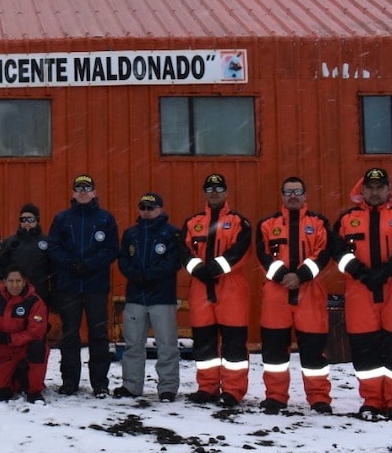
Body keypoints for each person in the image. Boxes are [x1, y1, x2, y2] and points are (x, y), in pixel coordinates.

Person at [332, 168, 392, 422]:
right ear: (362, 191)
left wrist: (385, 272)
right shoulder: (346, 219)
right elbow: (338, 251)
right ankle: (372, 400)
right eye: (370, 187)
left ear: (388, 189)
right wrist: (362, 274)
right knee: (365, 350)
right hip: (360, 291)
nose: (375, 192)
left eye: (380, 187)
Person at [256, 177, 334, 415]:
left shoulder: (319, 223)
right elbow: (263, 255)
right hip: (275, 296)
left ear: (305, 194)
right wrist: (283, 277)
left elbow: (324, 254)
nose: (293, 195)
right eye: (288, 191)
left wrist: (300, 275)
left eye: (297, 191)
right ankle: (275, 397)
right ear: (281, 195)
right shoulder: (267, 224)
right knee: (274, 353)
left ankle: (319, 398)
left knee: (314, 352)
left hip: (310, 295)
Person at [180, 173, 253, 407]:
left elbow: (239, 252)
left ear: (226, 192)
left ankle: (233, 390)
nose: (214, 192)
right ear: (205, 193)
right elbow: (183, 251)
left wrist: (212, 268)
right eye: (210, 189)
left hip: (231, 290)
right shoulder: (193, 222)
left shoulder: (240, 222)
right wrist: (198, 270)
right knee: (204, 343)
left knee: (233, 343)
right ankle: (207, 387)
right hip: (201, 289)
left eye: (219, 188)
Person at [46, 174, 120, 398]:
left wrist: (88, 264)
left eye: (87, 188)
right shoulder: (62, 219)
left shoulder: (106, 219)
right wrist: (70, 264)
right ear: (73, 193)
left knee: (98, 334)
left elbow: (111, 249)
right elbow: (53, 247)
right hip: (68, 285)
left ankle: (100, 383)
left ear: (95, 192)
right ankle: (70, 381)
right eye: (79, 188)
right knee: (70, 335)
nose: (83, 191)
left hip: (95, 285)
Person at [114, 192, 181, 402]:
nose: (146, 211)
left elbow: (173, 262)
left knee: (166, 344)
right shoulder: (131, 234)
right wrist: (136, 275)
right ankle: (131, 385)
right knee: (133, 344)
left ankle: (167, 388)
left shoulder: (172, 234)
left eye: (150, 208)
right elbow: (123, 259)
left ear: (160, 208)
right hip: (136, 295)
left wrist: (149, 275)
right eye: (142, 207)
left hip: (162, 295)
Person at [0, 268, 50, 403]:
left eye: (18, 281)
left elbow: (36, 332)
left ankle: (34, 391)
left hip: (25, 349)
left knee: (38, 347)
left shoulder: (34, 301)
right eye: (11, 281)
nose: (15, 285)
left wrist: (10, 338)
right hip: (3, 352)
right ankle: (18, 378)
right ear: (5, 282)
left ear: (25, 282)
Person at [0, 203, 53, 305]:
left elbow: (53, 269)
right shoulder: (10, 242)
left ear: (37, 220)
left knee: (37, 320)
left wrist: (53, 294)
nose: (27, 222)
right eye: (23, 219)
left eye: (30, 219)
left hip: (39, 292)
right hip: (15, 292)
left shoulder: (46, 242)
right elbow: (1, 266)